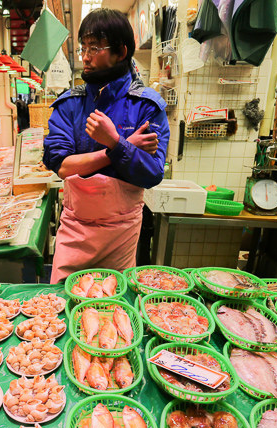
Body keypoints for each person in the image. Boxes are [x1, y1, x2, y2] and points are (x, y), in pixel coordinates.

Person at [42, 9, 170, 283]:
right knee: (61, 302)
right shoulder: (69, 104)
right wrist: (123, 147)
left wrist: (115, 141)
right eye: (83, 48)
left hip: (121, 233)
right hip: (75, 228)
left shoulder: (147, 106)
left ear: (121, 52)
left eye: (95, 48)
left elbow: (152, 174)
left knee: (114, 305)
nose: (85, 56)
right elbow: (62, 166)